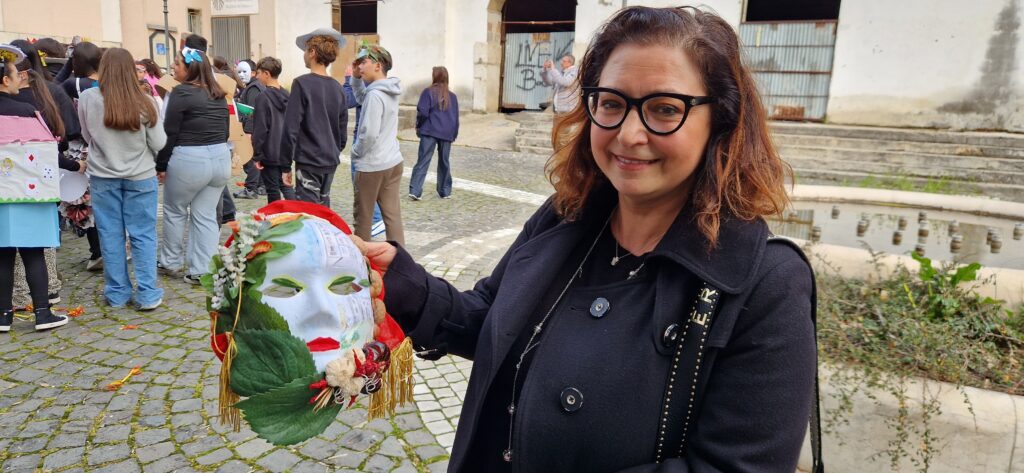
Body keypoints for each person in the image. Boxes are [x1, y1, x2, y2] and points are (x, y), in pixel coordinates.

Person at [364, 6, 817, 472]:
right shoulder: (566, 216)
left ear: (720, 121)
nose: (629, 133)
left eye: (665, 109)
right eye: (612, 103)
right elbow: (494, 320)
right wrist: (400, 282)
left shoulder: (765, 285)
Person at [79, 48, 166, 310]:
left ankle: (117, 292)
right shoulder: (145, 101)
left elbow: (86, 135)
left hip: (103, 175)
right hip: (140, 175)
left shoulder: (87, 98)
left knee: (110, 234)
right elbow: (159, 142)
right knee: (143, 235)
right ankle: (148, 293)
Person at [0, 44, 69, 332]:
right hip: (27, 194)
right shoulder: (27, 112)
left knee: (2, 255)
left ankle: (3, 316)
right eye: (16, 75)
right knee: (32, 253)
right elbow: (49, 150)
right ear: (5, 80)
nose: (19, 80)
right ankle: (42, 312)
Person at [156, 40, 230, 285]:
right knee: (206, 215)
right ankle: (202, 270)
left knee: (175, 211)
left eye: (177, 64)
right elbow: (226, 130)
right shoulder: (218, 93)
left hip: (189, 158)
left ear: (190, 69)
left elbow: (170, 132)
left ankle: (171, 261)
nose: (173, 68)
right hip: (220, 158)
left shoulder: (181, 93)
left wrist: (161, 165)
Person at [279, 28, 348, 207]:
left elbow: (290, 129)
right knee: (324, 210)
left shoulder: (302, 84)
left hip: (309, 160)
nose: (303, 55)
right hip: (329, 160)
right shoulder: (338, 88)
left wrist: (285, 165)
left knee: (309, 213)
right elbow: (342, 132)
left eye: (305, 50)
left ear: (312, 52)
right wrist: (333, 150)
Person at [350, 44, 404, 246]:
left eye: (364, 62)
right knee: (393, 219)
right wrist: (355, 78)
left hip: (372, 166)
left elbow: (368, 134)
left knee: (363, 222)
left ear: (378, 65)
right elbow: (362, 98)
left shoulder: (375, 94)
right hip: (393, 161)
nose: (360, 66)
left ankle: (362, 269)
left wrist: (355, 153)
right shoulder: (389, 89)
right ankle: (401, 263)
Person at [58, 40, 104, 271]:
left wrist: (68, 64)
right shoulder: (108, 84)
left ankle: (97, 250)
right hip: (103, 147)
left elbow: (52, 86)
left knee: (85, 203)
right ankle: (112, 247)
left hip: (78, 148)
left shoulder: (72, 84)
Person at [344, 60, 385, 237]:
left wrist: (348, 80)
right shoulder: (384, 87)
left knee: (362, 184)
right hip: (381, 146)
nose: (359, 68)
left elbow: (348, 100)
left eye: (362, 63)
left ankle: (375, 222)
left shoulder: (373, 88)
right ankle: (376, 223)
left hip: (365, 143)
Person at [249, 56, 295, 203]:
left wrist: (257, 155)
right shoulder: (287, 94)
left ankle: (276, 221)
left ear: (267, 74)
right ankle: (298, 214)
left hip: (269, 151)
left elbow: (261, 129)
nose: (256, 76)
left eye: (259, 73)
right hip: (285, 150)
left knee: (272, 190)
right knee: (286, 186)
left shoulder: (263, 97)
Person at [410, 66, 459, 201]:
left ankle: (415, 189)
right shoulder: (453, 97)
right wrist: (454, 134)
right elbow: (456, 118)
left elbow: (423, 112)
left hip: (429, 130)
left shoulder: (428, 92)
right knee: (444, 161)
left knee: (423, 160)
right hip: (446, 132)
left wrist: (419, 127)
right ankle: (445, 191)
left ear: (435, 77)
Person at [234, 58, 266, 199]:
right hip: (254, 128)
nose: (241, 75)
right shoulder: (251, 87)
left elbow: (253, 112)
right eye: (238, 71)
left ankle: (251, 188)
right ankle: (260, 186)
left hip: (252, 129)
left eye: (244, 71)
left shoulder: (253, 88)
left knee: (250, 159)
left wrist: (249, 132)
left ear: (253, 73)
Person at [541, 53, 580, 129]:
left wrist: (553, 69)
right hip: (559, 110)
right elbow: (549, 82)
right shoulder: (562, 73)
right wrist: (545, 71)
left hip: (568, 111)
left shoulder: (575, 72)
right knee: (557, 135)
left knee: (564, 135)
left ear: (570, 63)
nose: (561, 63)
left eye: (563, 61)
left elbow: (565, 82)